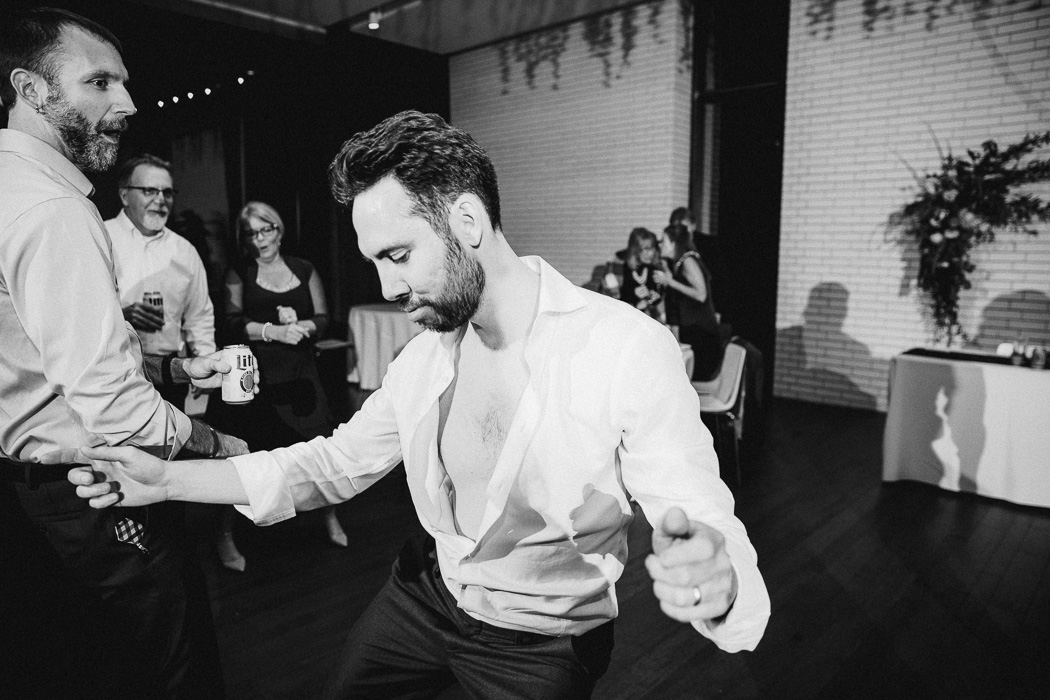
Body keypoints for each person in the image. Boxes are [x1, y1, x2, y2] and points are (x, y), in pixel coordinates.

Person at [71, 111, 771, 699]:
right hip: (427, 596)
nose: (387, 286)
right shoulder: (424, 361)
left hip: (544, 645)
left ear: (466, 219)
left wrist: (720, 581)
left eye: (398, 255)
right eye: (374, 261)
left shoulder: (624, 347)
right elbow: (331, 464)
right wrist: (164, 480)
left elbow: (701, 512)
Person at [0, 7, 247, 697]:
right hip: (96, 487)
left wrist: (179, 366)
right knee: (172, 669)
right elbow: (110, 400)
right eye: (100, 81)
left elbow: (45, 351)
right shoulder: (52, 208)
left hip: (32, 492)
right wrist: (217, 446)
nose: (129, 102)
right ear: (31, 88)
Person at [210, 201, 348, 568]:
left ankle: (329, 515)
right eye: (251, 233)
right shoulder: (239, 272)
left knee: (316, 448)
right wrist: (273, 331)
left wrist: (305, 327)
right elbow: (231, 322)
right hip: (257, 376)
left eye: (265, 229)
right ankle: (224, 534)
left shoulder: (304, 269)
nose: (260, 239)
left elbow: (324, 316)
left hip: (301, 372)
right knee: (246, 456)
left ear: (278, 229)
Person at [107, 153, 216, 407]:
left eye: (167, 192)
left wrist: (207, 364)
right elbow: (78, 311)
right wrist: (120, 316)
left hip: (171, 375)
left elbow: (199, 316)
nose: (160, 200)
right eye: (149, 190)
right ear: (124, 195)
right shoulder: (101, 236)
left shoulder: (184, 250)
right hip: (116, 372)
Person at [655, 223, 725, 381]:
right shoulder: (679, 262)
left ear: (673, 243)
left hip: (702, 335)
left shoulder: (688, 260)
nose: (660, 245)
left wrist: (670, 282)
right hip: (694, 331)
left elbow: (701, 295)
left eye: (663, 241)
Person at [618, 226, 664, 321]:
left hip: (651, 320)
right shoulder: (622, 268)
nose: (651, 253)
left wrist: (649, 296)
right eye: (646, 249)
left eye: (652, 248)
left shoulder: (655, 268)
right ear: (635, 250)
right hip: (626, 318)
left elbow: (661, 297)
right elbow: (615, 297)